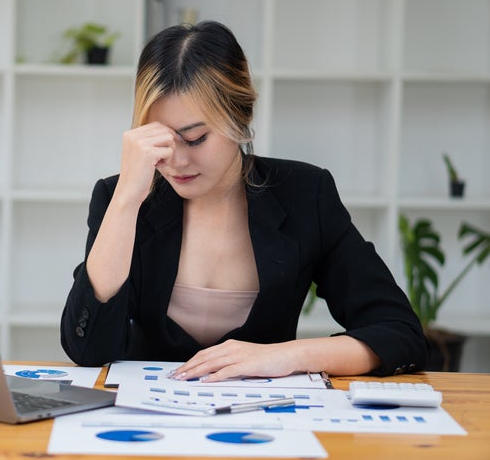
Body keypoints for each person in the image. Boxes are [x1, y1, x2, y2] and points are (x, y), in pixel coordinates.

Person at [60, 21, 427, 380]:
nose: (176, 160)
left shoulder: (304, 194)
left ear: (241, 116)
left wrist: (286, 356)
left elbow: (398, 332)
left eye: (195, 138)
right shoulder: (121, 197)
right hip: (144, 425)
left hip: (264, 423)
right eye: (162, 140)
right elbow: (88, 349)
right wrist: (126, 199)